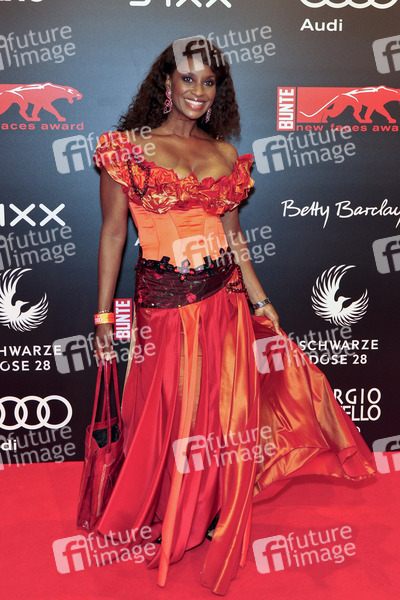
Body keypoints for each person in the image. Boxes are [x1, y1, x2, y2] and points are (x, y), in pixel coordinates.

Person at [91, 38, 376, 595]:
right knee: (173, 414)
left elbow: (235, 239)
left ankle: (213, 508)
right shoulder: (126, 149)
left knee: (225, 418)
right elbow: (113, 235)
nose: (198, 91)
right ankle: (170, 509)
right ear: (166, 83)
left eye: (209, 82)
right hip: (165, 307)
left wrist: (261, 301)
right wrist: (104, 315)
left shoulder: (224, 154)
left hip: (225, 301)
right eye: (188, 78)